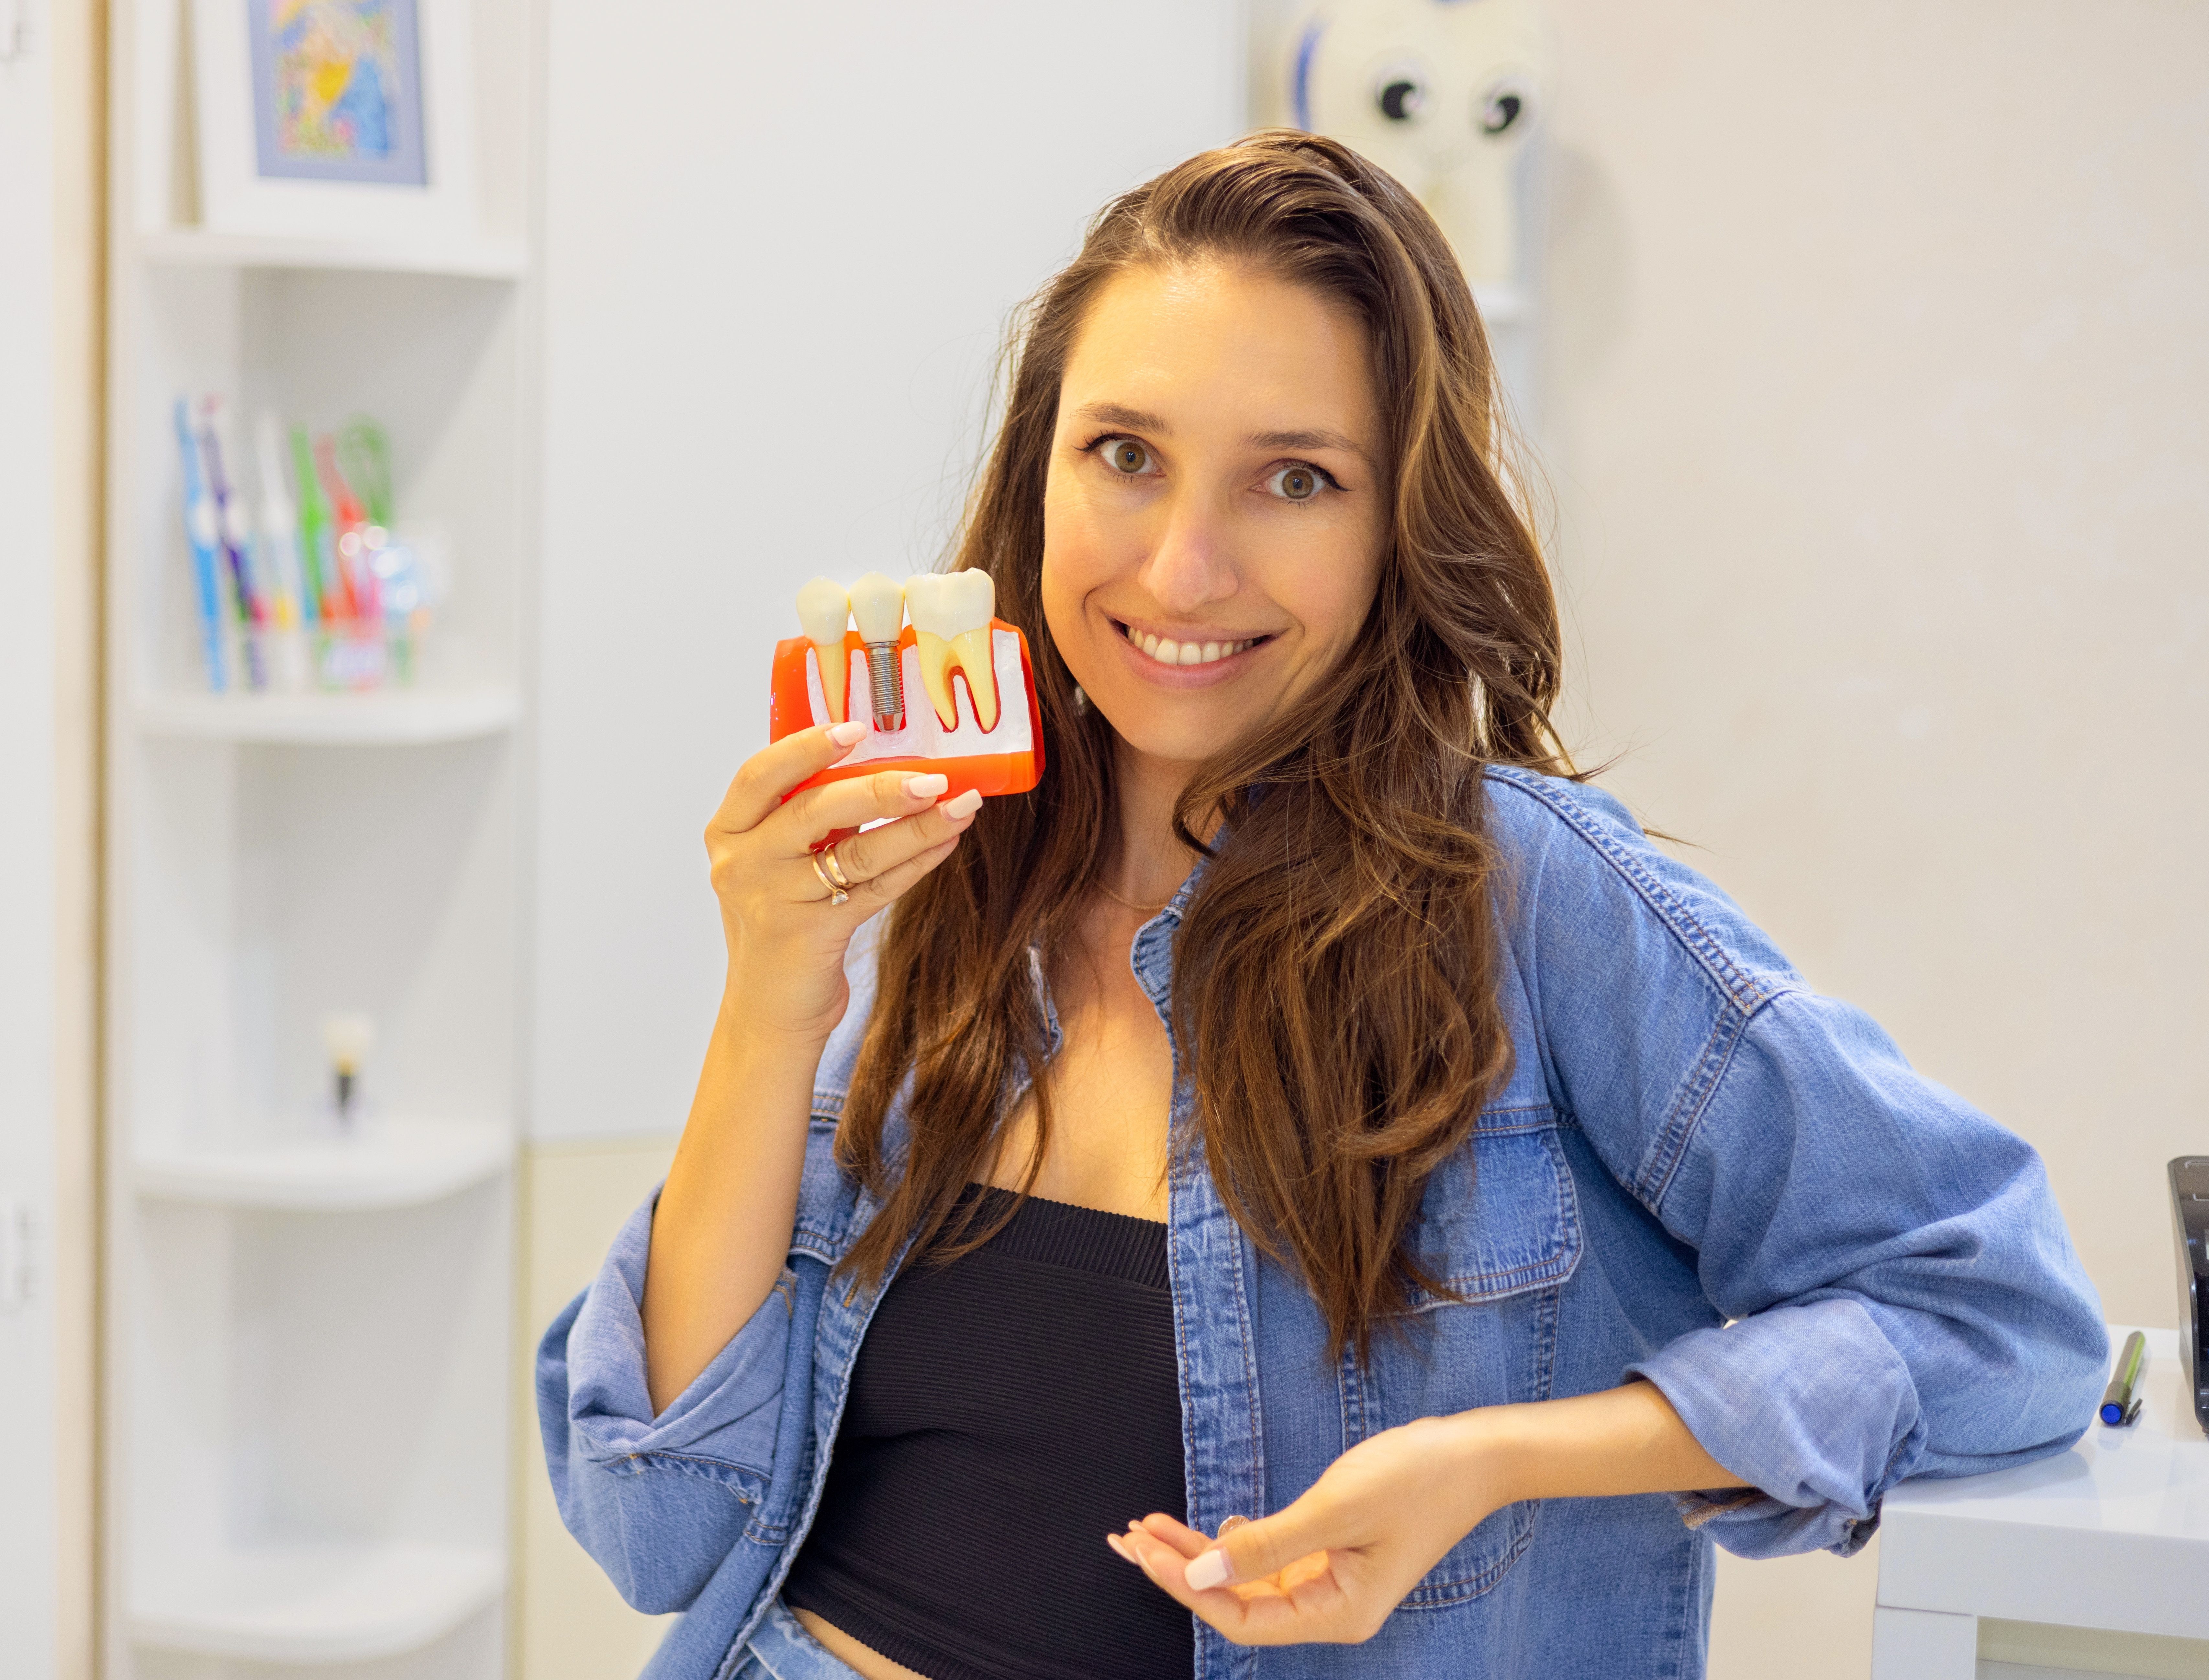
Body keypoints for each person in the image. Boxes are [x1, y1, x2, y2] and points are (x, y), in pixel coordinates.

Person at [538, 131, 2106, 1680]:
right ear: (1039, 475)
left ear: (1394, 526)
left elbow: (1998, 1312)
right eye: (1126, 455)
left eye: (1294, 478)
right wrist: (771, 990)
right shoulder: (947, 878)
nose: (1184, 564)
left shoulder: (1531, 900)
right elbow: (658, 1526)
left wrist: (1500, 1457)